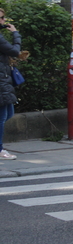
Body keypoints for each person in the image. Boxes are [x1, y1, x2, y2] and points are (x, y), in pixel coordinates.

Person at [0, 9, 21, 160]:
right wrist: (15, 33)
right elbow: (15, 51)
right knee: (2, 117)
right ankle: (0, 150)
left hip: (4, 79)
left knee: (9, 114)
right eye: (1, 18)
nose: (3, 21)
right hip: (1, 81)